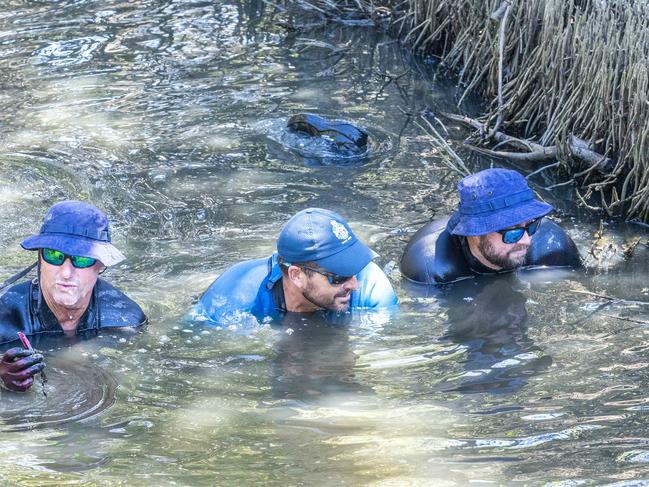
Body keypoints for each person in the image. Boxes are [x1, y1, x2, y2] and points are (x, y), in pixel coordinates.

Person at [0, 201, 146, 392]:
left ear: (101, 265)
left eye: (82, 259)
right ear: (40, 259)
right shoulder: (5, 314)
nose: (66, 273)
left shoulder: (125, 319)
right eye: (54, 255)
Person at [192, 208, 398, 324]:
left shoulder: (372, 288)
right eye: (338, 277)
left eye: (355, 268)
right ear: (297, 275)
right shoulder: (234, 297)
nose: (355, 284)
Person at [400, 168, 581, 284]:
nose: (527, 240)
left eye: (531, 226)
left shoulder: (552, 247)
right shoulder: (432, 270)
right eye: (513, 232)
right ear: (475, 234)